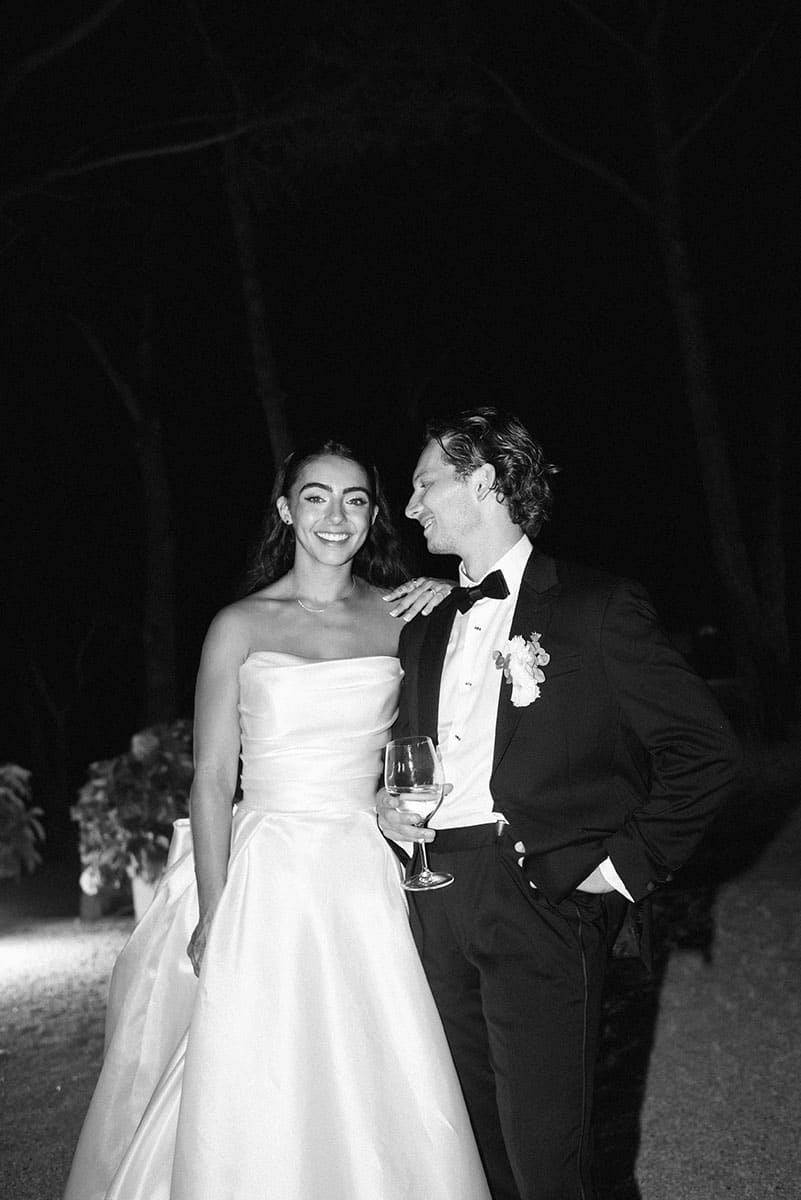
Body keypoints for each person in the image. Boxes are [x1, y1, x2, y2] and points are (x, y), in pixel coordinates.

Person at [64, 439, 491, 1200]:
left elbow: (437, 735)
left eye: (355, 499)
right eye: (317, 497)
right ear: (286, 509)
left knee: (378, 1054)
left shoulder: (403, 616)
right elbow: (209, 781)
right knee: (254, 1065)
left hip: (364, 870)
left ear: (373, 514)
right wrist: (216, 909)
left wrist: (444, 592)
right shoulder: (239, 625)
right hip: (267, 870)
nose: (336, 516)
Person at [378, 407, 742, 1200]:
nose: (409, 507)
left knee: (548, 1160)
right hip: (434, 897)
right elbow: (408, 748)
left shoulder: (596, 607)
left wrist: (615, 871)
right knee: (477, 1148)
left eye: (424, 485)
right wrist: (386, 805)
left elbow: (704, 753)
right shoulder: (423, 621)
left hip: (539, 896)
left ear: (482, 481)